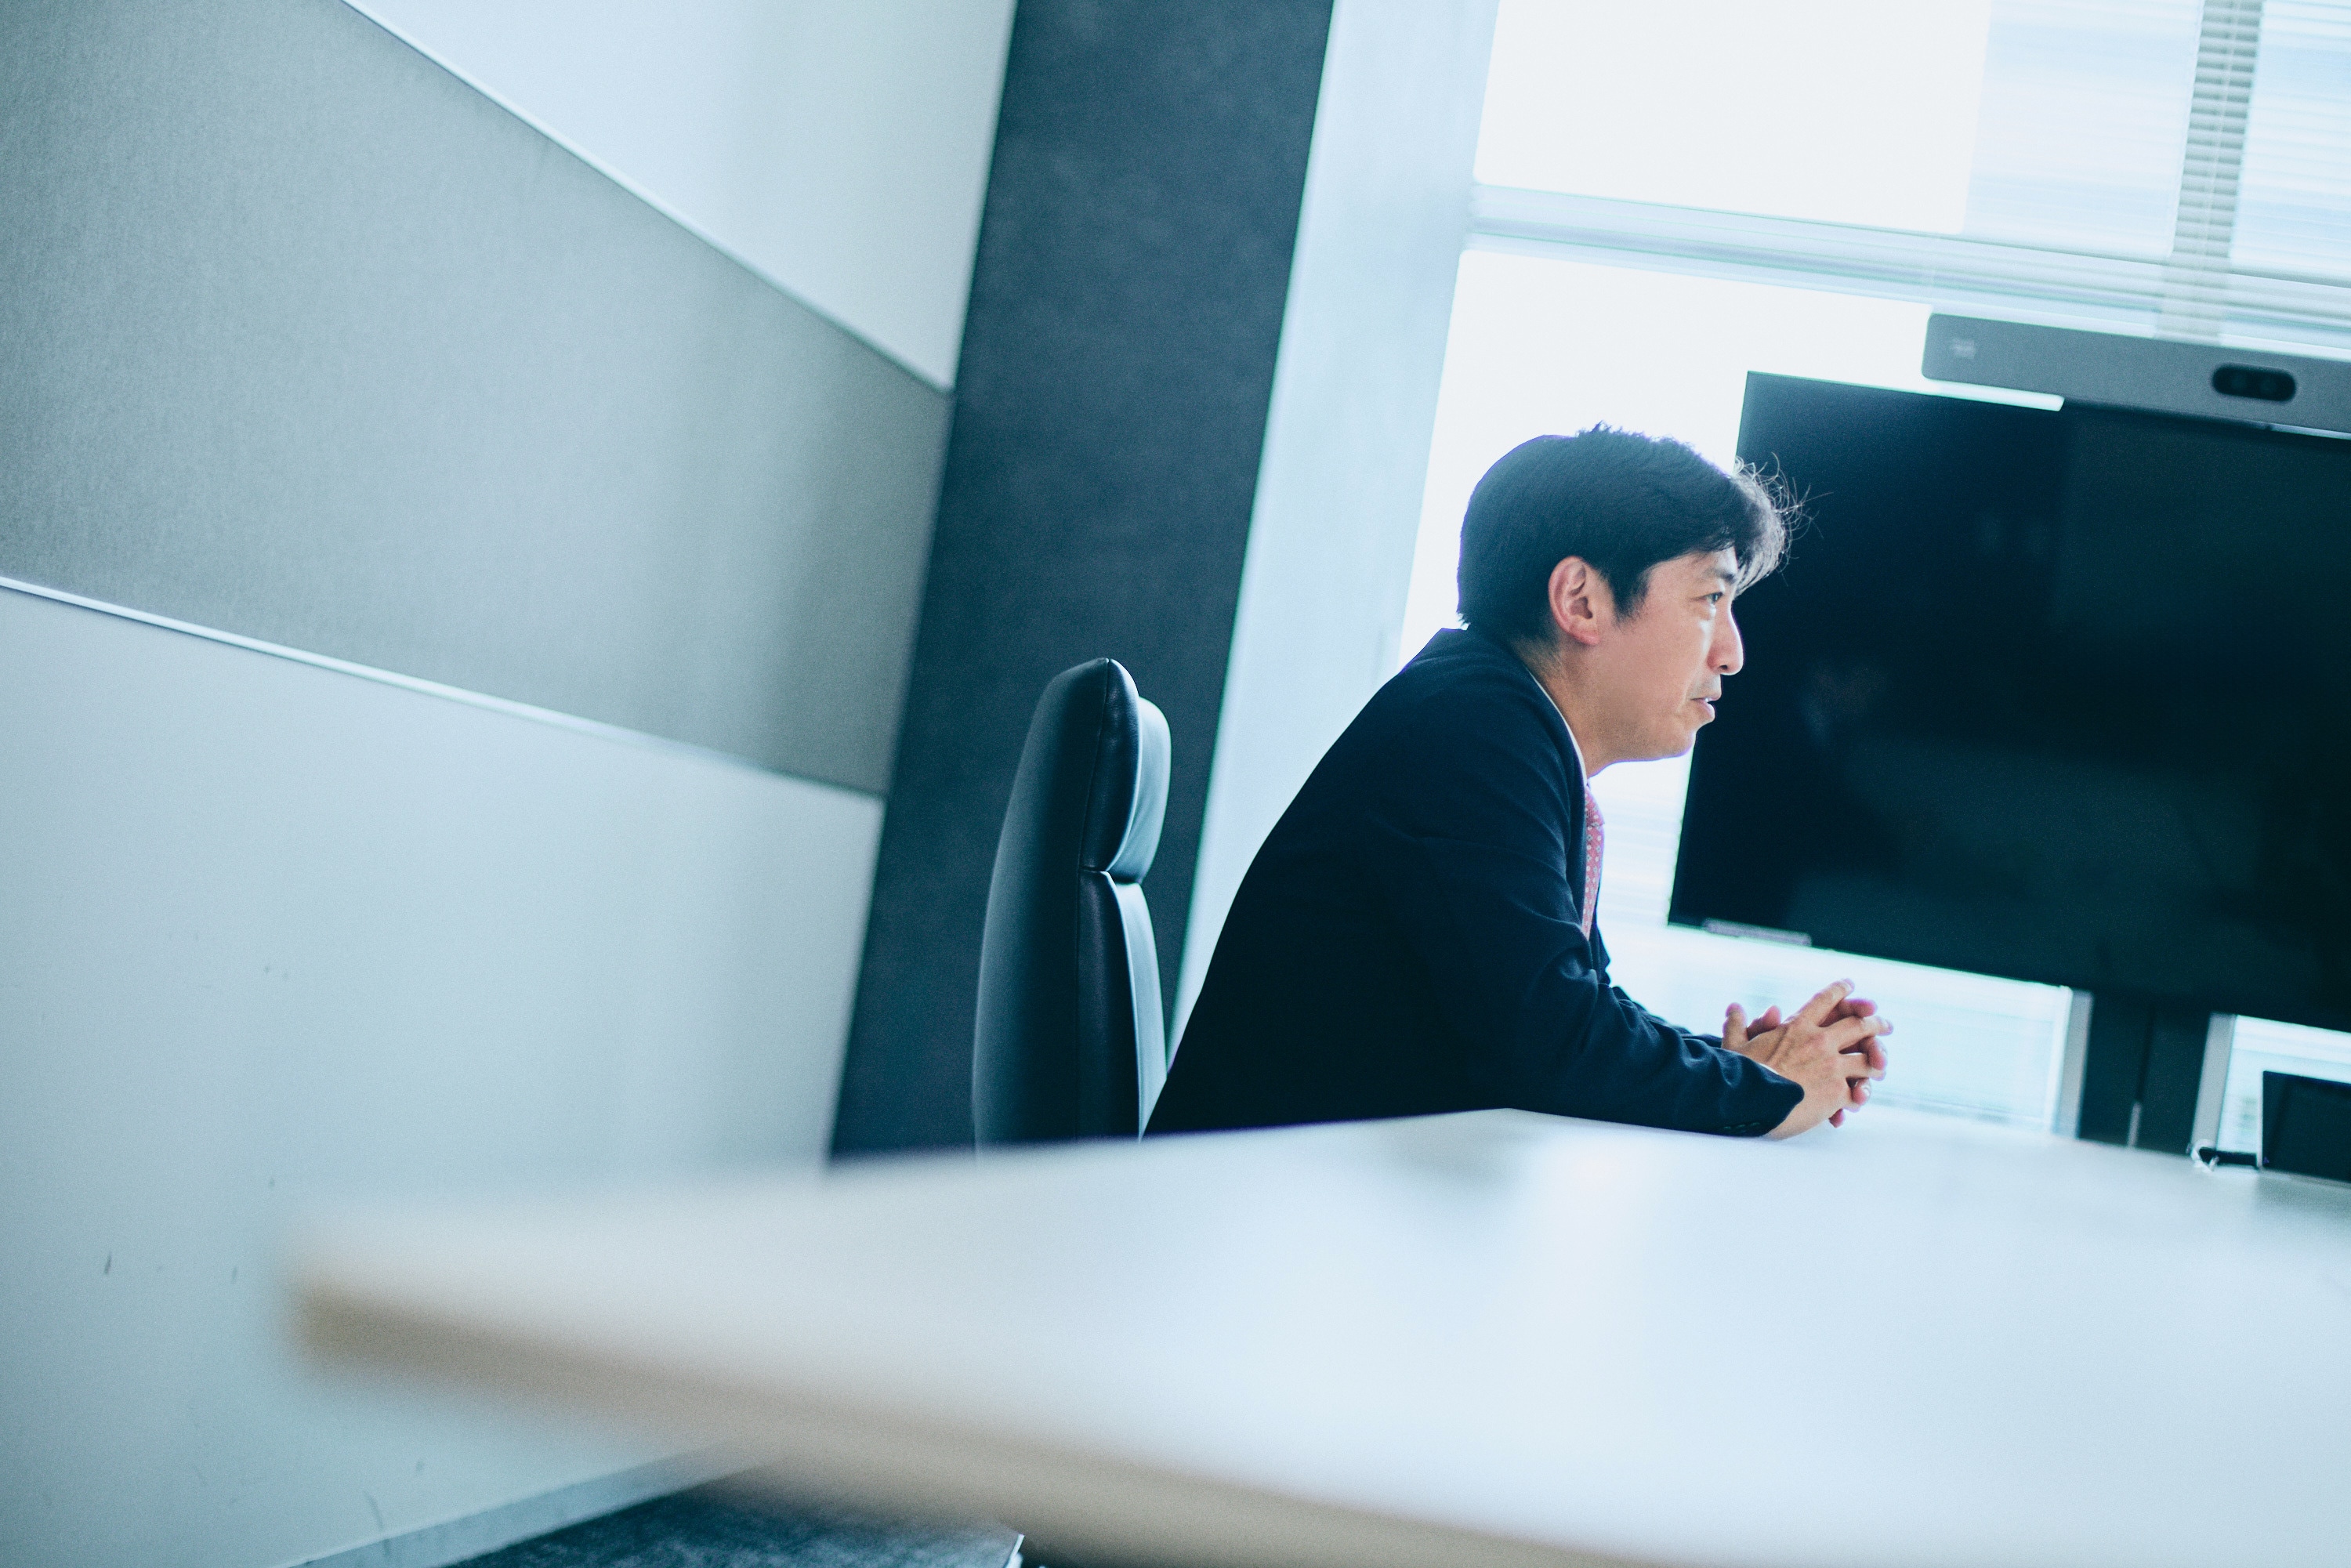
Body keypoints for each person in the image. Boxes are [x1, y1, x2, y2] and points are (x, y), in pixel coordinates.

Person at [1147, 427, 1890, 1140]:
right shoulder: (1473, 732)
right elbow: (1555, 1043)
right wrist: (1775, 1089)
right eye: (1708, 600)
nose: (1732, 652)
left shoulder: (1495, 720)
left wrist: (1732, 1066)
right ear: (1581, 600)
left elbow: (1571, 1010)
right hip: (1252, 1232)